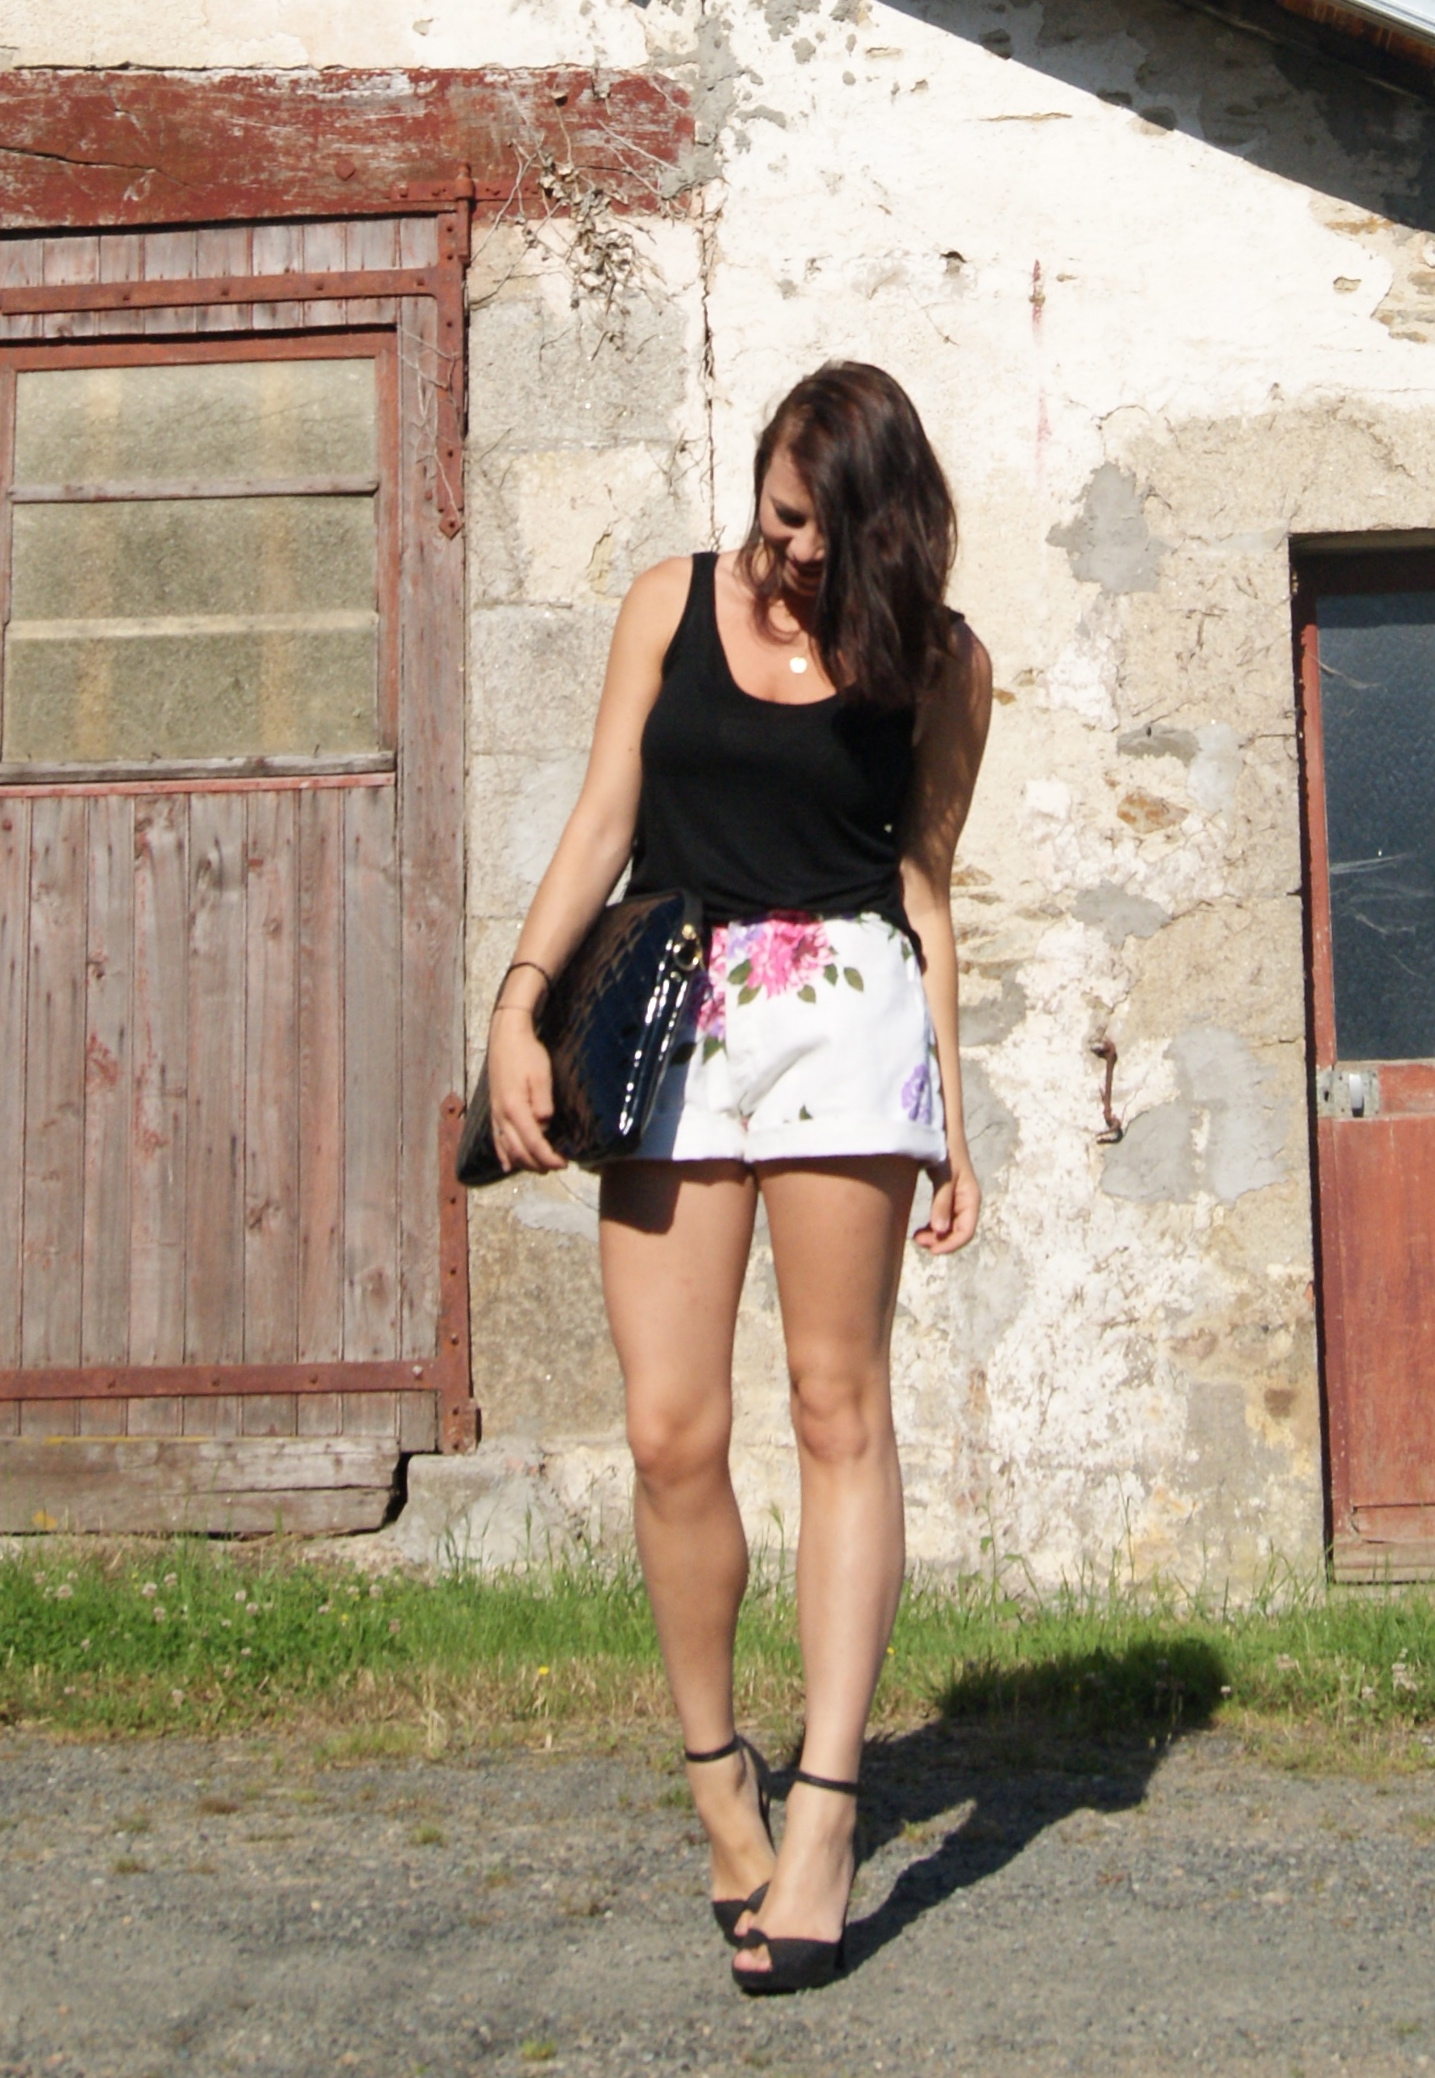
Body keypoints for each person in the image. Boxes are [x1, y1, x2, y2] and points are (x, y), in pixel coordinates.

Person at [484, 361, 991, 1992]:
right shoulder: (667, 603)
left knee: (840, 1406)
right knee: (669, 1428)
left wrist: (954, 1117)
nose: (790, 552)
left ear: (882, 531)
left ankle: (827, 1807)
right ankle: (720, 1778)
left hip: (846, 1015)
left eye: (823, 533)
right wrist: (516, 1002)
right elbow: (603, 817)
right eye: (778, 514)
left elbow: (924, 886)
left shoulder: (939, 661)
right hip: (672, 1026)